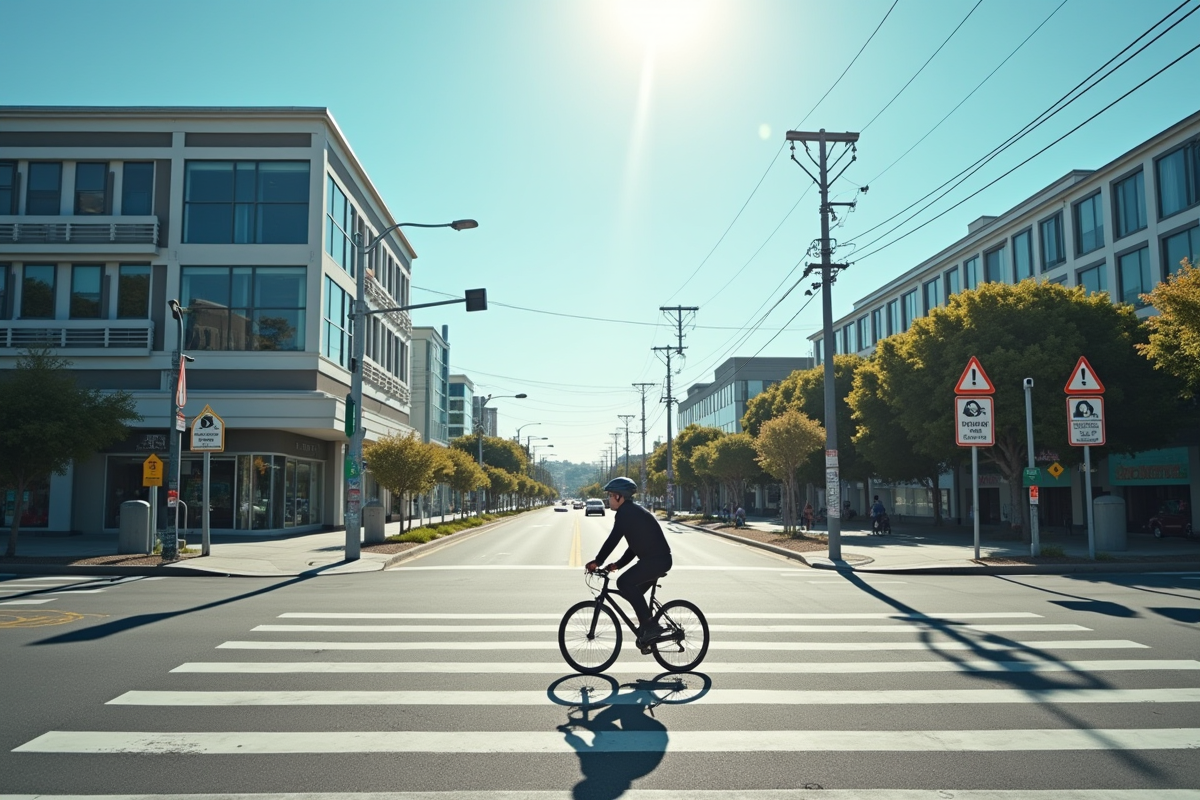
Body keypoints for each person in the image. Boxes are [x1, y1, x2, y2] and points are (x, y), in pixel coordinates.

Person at [585, 477, 673, 649]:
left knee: (624, 582)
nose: (608, 499)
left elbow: (613, 539)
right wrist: (617, 564)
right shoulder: (631, 512)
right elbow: (633, 547)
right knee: (632, 593)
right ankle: (648, 630)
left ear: (619, 496)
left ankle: (651, 627)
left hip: (657, 561)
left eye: (610, 495)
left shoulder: (626, 513)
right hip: (655, 561)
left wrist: (598, 561)